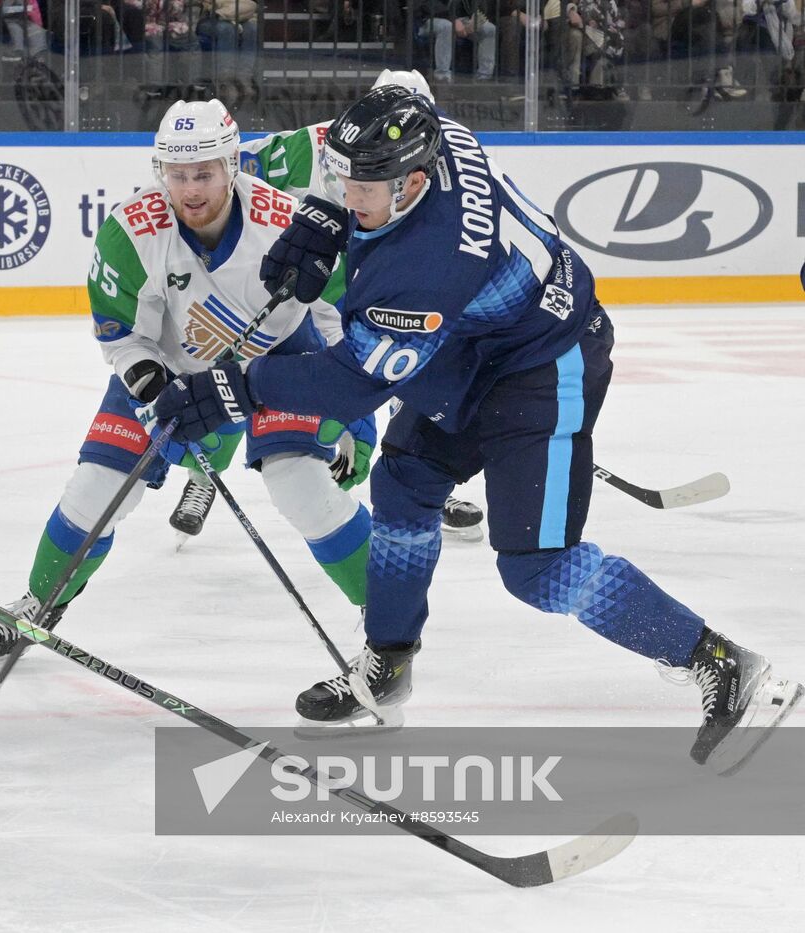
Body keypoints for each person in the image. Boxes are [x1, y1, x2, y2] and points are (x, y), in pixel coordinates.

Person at [147, 85, 801, 772]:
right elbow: (354, 147)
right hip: (477, 343)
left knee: (538, 566)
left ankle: (726, 665)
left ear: (413, 183)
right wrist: (323, 216)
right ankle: (388, 665)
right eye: (346, 177)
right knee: (401, 485)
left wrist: (233, 389)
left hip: (546, 362)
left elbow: (351, 384)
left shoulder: (425, 267)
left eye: (363, 186)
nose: (349, 189)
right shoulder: (432, 137)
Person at [0, 99, 373, 666]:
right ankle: (40, 601)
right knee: (96, 489)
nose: (190, 189)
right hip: (175, 369)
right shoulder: (132, 230)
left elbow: (345, 321)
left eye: (203, 173)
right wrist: (150, 386)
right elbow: (121, 333)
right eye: (176, 175)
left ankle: (388, 629)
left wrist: (355, 416)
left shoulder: (285, 223)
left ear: (233, 164)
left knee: (302, 491)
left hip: (281, 364)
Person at [169, 68, 487, 547]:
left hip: (383, 299)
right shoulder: (321, 144)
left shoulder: (446, 173)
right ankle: (201, 476)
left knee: (402, 378)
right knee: (237, 366)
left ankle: (425, 483)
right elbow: (237, 162)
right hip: (312, 296)